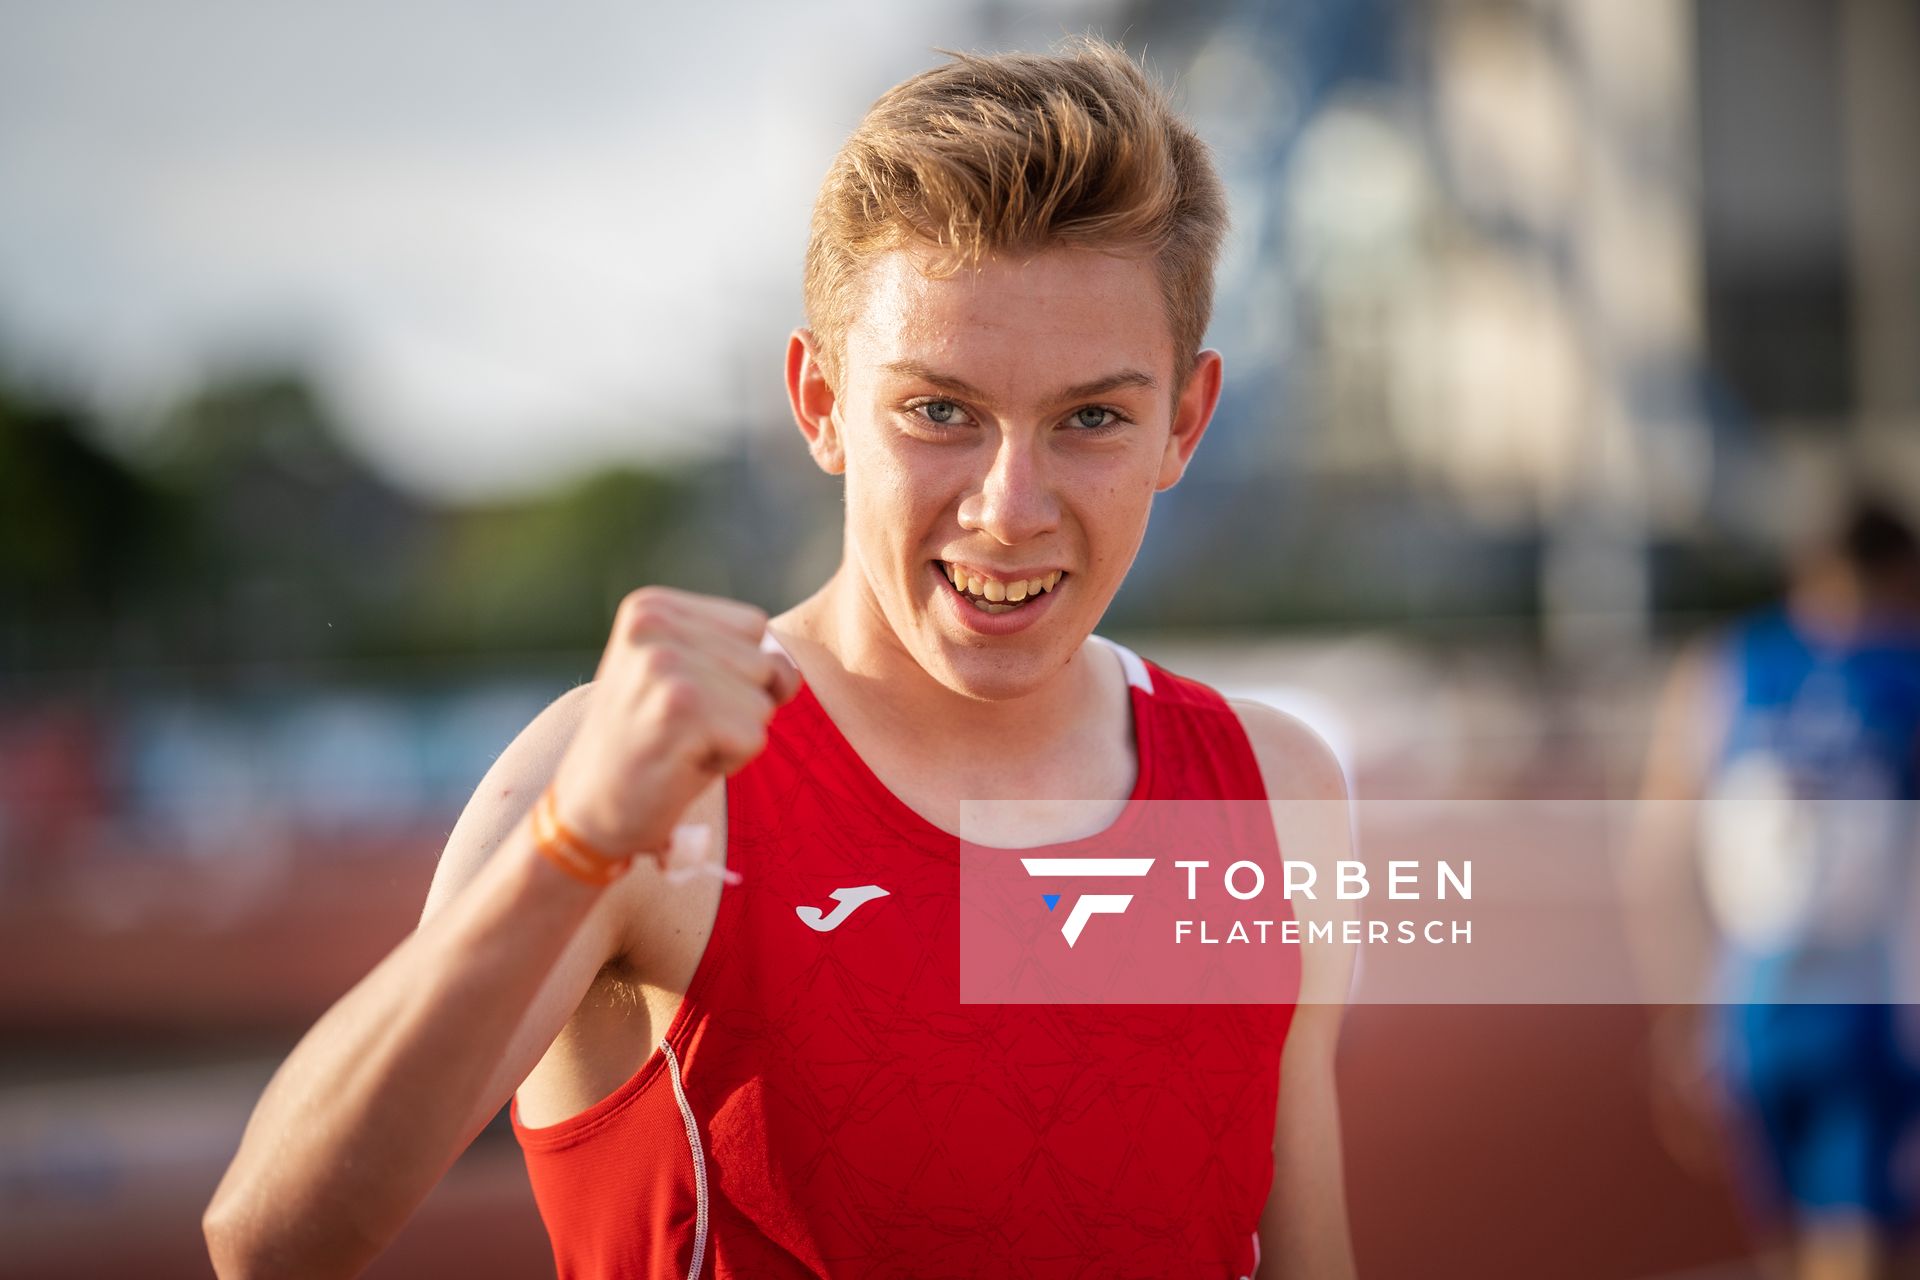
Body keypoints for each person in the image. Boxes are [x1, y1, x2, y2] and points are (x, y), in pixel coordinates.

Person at [204, 38, 1358, 1279]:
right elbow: (269, 1238)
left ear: (1183, 421)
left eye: (1091, 417)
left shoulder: (1275, 793)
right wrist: (576, 841)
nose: (1011, 507)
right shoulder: (643, 777)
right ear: (818, 404)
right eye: (939, 410)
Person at [1633, 497, 1920, 1280]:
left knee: (1786, 1251)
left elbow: (1659, 853)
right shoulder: (1907, 671)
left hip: (1753, 1011)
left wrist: (1679, 1013)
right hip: (1878, 1019)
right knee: (1856, 1254)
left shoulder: (1725, 668)